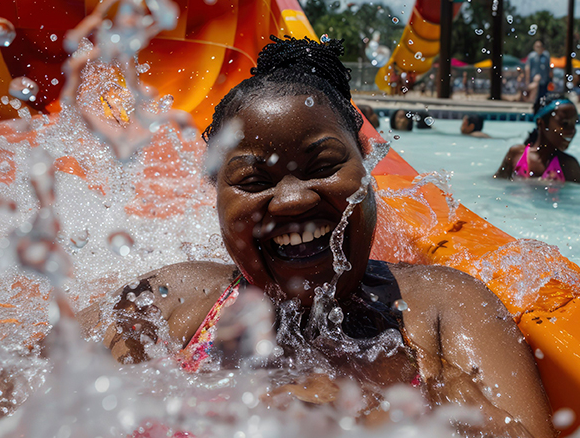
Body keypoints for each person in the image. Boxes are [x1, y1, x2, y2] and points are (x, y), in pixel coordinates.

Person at [98, 38, 555, 437]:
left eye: (323, 166)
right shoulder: (167, 304)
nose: (293, 200)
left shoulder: (445, 310)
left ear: (367, 163)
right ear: (214, 193)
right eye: (253, 180)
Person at [494, 94, 580, 183]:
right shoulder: (516, 154)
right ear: (541, 123)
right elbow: (496, 184)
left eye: (574, 124)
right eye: (565, 124)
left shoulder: (569, 166)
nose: (572, 130)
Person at [525, 40, 550, 111]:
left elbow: (549, 67)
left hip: (544, 80)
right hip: (534, 80)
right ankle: (534, 107)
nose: (539, 48)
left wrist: (551, 78)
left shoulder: (546, 56)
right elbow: (528, 68)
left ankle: (541, 109)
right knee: (535, 96)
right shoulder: (531, 56)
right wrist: (527, 80)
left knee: (543, 96)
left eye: (540, 46)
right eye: (537, 46)